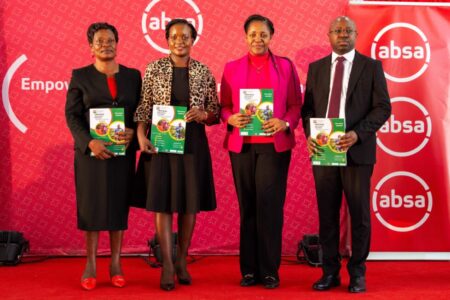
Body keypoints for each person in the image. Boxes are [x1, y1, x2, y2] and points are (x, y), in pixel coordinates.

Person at [301, 16, 391, 293]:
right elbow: (308, 110)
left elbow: (382, 107)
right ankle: (329, 272)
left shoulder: (371, 67)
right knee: (327, 214)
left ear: (355, 34)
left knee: (359, 214)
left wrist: (358, 134)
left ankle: (358, 273)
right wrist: (309, 136)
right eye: (337, 31)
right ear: (329, 35)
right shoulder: (315, 68)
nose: (342, 34)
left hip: (357, 151)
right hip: (324, 150)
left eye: (348, 31)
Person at [134, 18, 219, 291]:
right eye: (174, 36)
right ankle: (168, 265)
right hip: (160, 140)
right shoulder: (154, 69)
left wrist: (204, 114)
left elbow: (215, 112)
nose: (179, 41)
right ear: (166, 39)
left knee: (189, 203)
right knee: (162, 202)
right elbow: (144, 107)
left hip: (193, 141)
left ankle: (182, 259)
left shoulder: (204, 71)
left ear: (193, 39)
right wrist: (140, 136)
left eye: (185, 36)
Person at [220, 14, 302, 289]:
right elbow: (224, 106)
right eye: (252, 34)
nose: (258, 38)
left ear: (271, 36)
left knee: (270, 208)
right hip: (241, 146)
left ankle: (269, 270)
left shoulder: (287, 67)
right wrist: (230, 118)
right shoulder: (231, 68)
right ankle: (249, 270)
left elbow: (295, 106)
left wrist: (285, 123)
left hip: (274, 146)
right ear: (245, 37)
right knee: (248, 208)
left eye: (263, 34)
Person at [65, 22, 141, 290]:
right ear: (90, 47)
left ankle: (117, 263)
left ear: (117, 44)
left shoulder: (133, 76)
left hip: (122, 152)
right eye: (99, 41)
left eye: (110, 40)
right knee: (92, 206)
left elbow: (140, 112)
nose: (105, 45)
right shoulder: (80, 76)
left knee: (118, 205)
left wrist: (134, 132)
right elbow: (72, 116)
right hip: (91, 156)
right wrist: (89, 143)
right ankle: (91, 264)